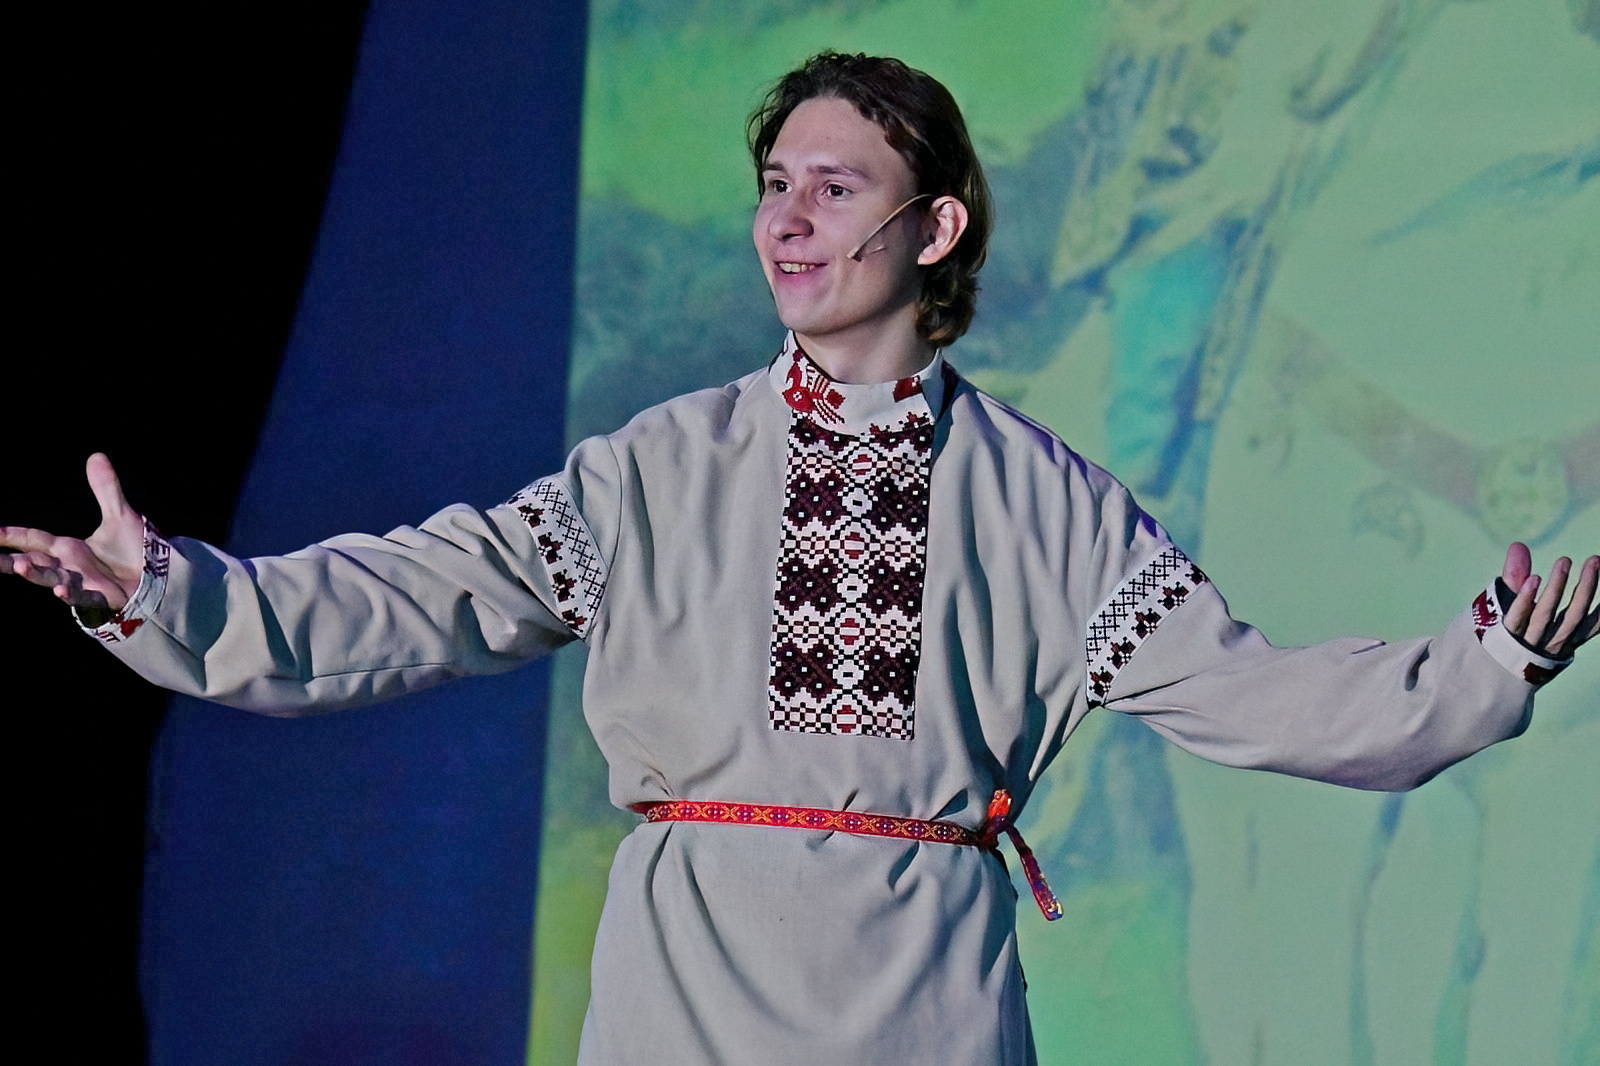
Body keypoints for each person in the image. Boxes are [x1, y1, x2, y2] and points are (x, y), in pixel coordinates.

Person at [3, 52, 1595, 1066]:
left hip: (925, 1003)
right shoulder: (663, 464)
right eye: (775, 186)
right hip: (686, 996)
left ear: (937, 227)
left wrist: (1484, 665)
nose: (788, 219)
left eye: (836, 188)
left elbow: (1258, 696)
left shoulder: (1040, 498)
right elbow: (424, 595)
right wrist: (177, 598)